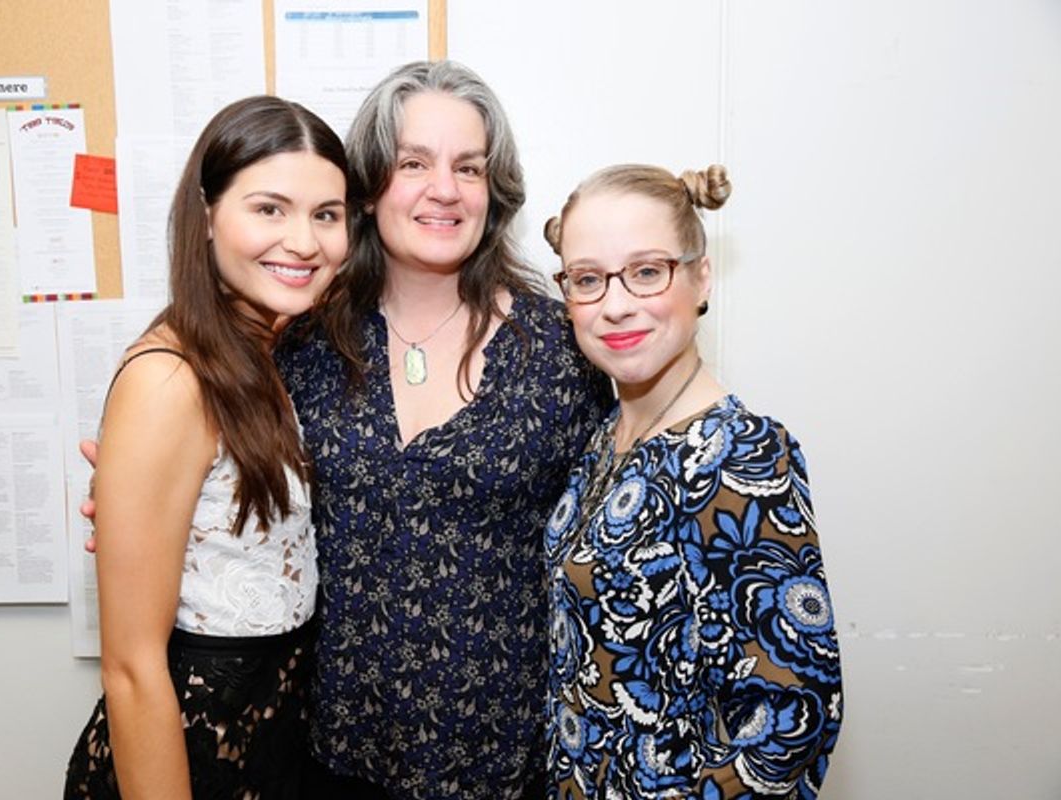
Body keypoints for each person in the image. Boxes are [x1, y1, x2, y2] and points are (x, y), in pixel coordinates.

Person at [277, 60, 612, 799]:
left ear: (495, 192)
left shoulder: (561, 351)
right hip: (334, 756)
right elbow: (243, 487)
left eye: (469, 167)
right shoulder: (305, 345)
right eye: (413, 163)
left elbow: (616, 533)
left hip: (505, 765)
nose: (445, 189)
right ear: (369, 187)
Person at [64, 96, 349, 800]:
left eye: (326, 215)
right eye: (270, 209)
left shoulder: (261, 352)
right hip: (185, 761)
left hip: (265, 750)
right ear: (208, 214)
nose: (304, 241)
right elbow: (132, 669)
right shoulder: (169, 379)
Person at [541, 164, 843, 799]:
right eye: (588, 279)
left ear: (701, 277)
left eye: (647, 271)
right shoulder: (609, 435)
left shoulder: (742, 452)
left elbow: (794, 718)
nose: (616, 304)